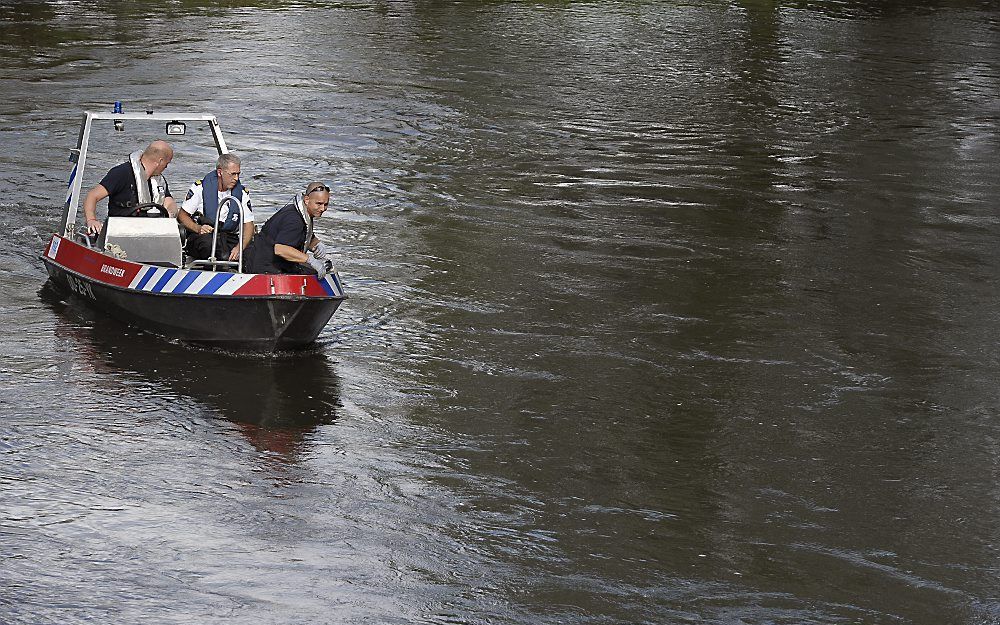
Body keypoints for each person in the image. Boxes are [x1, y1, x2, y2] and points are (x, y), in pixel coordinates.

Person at [82, 140, 178, 235]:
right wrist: (91, 220)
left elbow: (169, 202)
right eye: (167, 163)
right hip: (120, 231)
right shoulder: (121, 173)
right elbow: (92, 196)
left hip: (150, 231)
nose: (166, 167)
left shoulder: (158, 180)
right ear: (160, 161)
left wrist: (170, 214)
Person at [243, 181, 334, 277]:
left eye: (326, 204)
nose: (323, 208)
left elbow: (301, 235)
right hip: (265, 266)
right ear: (307, 200)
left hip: (269, 260)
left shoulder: (299, 212)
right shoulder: (294, 220)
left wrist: (316, 245)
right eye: (319, 204)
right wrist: (310, 260)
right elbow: (281, 249)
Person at [177, 154, 254, 262]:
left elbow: (248, 224)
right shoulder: (200, 188)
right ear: (219, 172)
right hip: (205, 234)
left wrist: (240, 247)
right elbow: (182, 215)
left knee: (252, 252)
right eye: (232, 174)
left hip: (228, 235)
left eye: (238, 174)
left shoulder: (242, 194)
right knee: (209, 247)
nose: (236, 178)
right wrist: (197, 228)